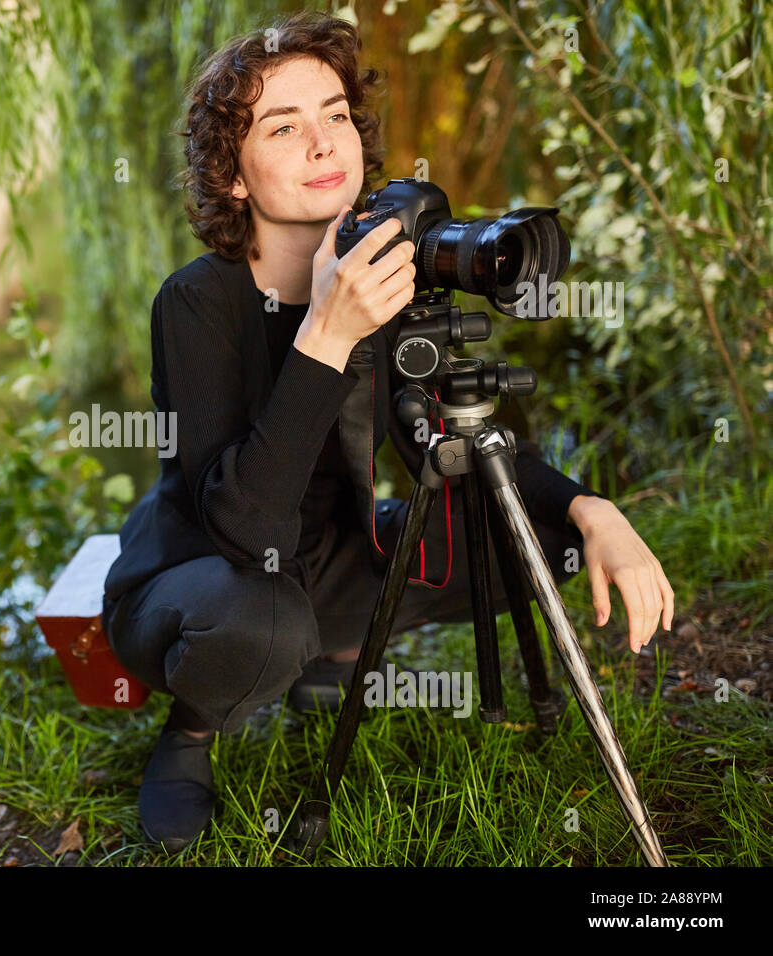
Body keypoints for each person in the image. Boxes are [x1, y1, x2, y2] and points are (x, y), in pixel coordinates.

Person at [99, 11, 675, 853]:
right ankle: (189, 731)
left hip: (337, 560)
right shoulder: (197, 302)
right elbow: (242, 524)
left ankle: (333, 651)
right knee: (263, 625)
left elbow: (467, 444)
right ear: (231, 177)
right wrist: (327, 334)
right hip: (204, 583)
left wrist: (594, 509)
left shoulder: (386, 272)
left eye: (335, 116)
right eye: (283, 127)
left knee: (540, 539)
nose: (323, 143)